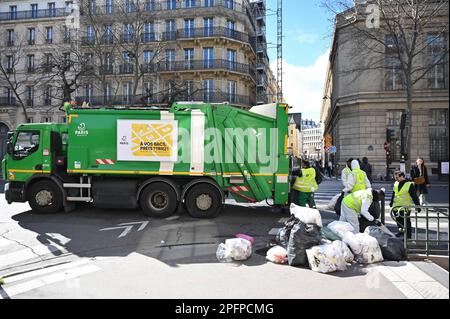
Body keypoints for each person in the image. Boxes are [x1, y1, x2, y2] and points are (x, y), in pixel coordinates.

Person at [390, 171, 420, 239]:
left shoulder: (409, 184)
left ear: (402, 176)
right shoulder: (396, 183)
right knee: (398, 221)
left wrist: (417, 206)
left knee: (406, 222)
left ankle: (408, 236)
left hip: (405, 207)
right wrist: (391, 202)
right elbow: (394, 193)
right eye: (395, 177)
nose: (396, 179)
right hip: (396, 206)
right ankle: (401, 232)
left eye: (397, 177)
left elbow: (414, 196)